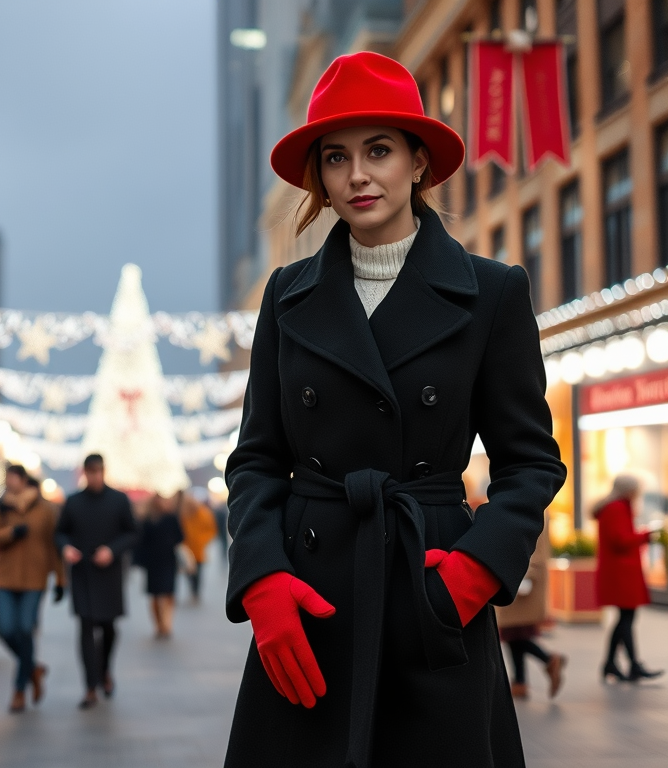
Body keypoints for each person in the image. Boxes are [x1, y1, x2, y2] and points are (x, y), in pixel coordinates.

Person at [223, 52, 566, 767]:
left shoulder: (492, 292)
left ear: (418, 162)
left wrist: (473, 574)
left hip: (431, 591)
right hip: (312, 599)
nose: (357, 175)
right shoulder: (287, 297)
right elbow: (257, 457)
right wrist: (260, 578)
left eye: (378, 150)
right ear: (318, 176)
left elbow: (531, 460)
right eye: (336, 156)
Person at [55, 454, 138, 709]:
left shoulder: (118, 500)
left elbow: (133, 532)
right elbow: (60, 532)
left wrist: (112, 551)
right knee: (86, 627)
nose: (94, 477)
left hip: (109, 573)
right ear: (84, 473)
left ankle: (104, 671)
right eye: (90, 472)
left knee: (109, 628)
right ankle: (90, 686)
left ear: (104, 471)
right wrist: (66, 548)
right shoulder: (73, 501)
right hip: (83, 573)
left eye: (98, 472)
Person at [0, 466, 66, 712]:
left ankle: (19, 690)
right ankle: (32, 668)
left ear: (24, 481)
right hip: (6, 578)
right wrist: (10, 533)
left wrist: (61, 579)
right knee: (5, 629)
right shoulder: (1, 507)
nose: (9, 483)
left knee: (25, 628)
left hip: (34, 579)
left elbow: (55, 546)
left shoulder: (46, 510)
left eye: (12, 478)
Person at [594, 474, 664, 683]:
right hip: (621, 573)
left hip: (620, 572)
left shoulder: (616, 507)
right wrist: (646, 536)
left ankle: (612, 664)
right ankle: (630, 665)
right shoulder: (617, 508)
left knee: (625, 619)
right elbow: (621, 539)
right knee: (626, 619)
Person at [496, 516, 566, 699]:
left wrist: (525, 575)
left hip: (523, 579)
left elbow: (536, 549)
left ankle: (548, 659)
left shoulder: (532, 509)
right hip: (519, 576)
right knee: (516, 633)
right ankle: (520, 681)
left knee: (514, 630)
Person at [136, 493, 184, 638]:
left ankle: (162, 624)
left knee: (158, 594)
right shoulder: (168, 517)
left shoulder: (148, 520)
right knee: (165, 592)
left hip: (156, 562)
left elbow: (140, 542)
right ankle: (164, 624)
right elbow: (180, 537)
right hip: (165, 560)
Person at [179, 492, 217, 601]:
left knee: (198, 572)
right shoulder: (183, 514)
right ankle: (193, 591)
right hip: (187, 549)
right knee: (188, 572)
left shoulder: (204, 513)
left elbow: (212, 530)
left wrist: (202, 541)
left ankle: (196, 592)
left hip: (199, 549)